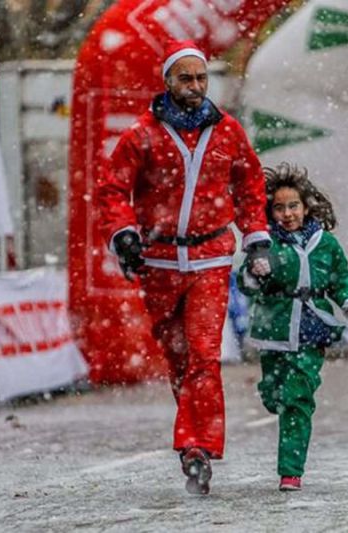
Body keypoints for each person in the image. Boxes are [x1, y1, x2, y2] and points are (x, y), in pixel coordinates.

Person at [96, 40, 272, 495]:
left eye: (201, 78)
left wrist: (256, 242)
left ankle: (198, 447)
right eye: (185, 78)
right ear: (168, 81)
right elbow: (112, 190)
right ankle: (193, 436)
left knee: (204, 355)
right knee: (178, 360)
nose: (195, 86)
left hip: (211, 259)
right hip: (158, 262)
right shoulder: (142, 134)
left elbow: (251, 185)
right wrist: (124, 233)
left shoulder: (228, 131)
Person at [238, 163, 348, 492]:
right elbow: (245, 283)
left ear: (306, 206)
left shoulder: (326, 244)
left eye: (293, 205)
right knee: (274, 394)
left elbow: (342, 280)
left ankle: (290, 472)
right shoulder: (264, 242)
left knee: (298, 398)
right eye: (279, 207)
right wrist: (255, 272)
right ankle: (272, 396)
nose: (287, 213)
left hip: (312, 329)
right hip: (274, 329)